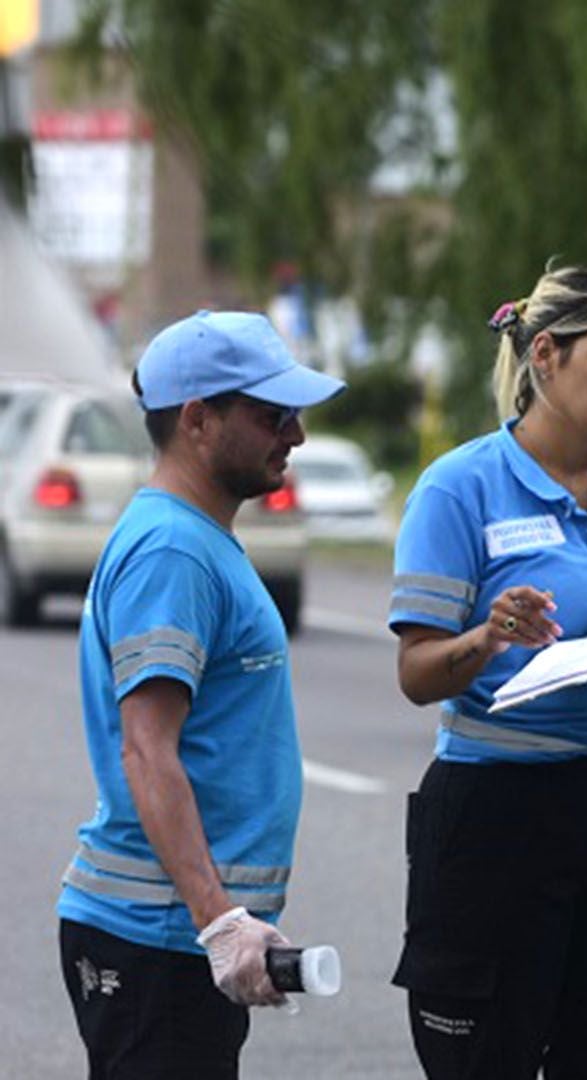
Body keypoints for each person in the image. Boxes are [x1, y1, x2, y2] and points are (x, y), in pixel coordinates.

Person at [387, 265, 587, 1078]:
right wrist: (489, 638)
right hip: (502, 806)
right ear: (545, 356)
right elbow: (419, 673)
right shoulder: (460, 487)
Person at [57, 310, 345, 1078]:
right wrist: (219, 921)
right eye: (270, 414)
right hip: (154, 937)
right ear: (197, 420)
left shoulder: (196, 538)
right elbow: (148, 750)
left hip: (170, 933)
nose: (296, 433)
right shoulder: (175, 550)